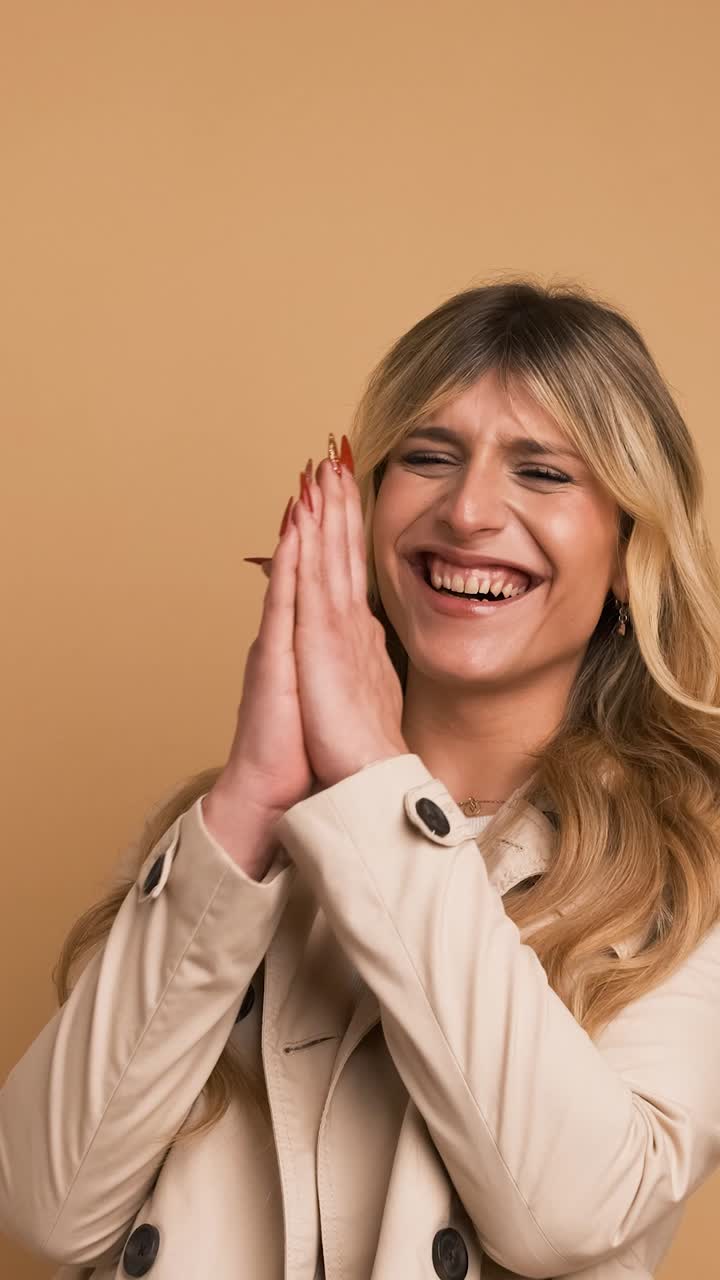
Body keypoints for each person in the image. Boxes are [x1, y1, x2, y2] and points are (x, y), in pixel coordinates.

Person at [2, 280, 720, 1280]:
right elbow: (47, 1205)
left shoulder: (685, 868)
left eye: (543, 470)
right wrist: (252, 798)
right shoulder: (224, 837)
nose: (468, 510)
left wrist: (376, 781)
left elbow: (566, 1214)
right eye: (427, 456)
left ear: (627, 553)